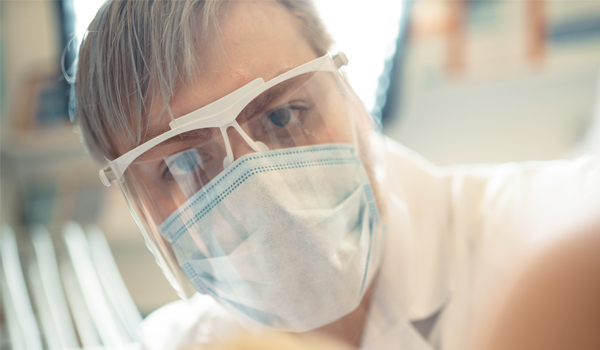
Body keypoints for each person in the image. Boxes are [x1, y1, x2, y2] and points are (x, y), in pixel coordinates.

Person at [73, 1, 600, 349]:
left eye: (282, 116)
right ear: (140, 207)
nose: (266, 194)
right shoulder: (176, 344)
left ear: (349, 94)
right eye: (184, 163)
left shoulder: (556, 244)